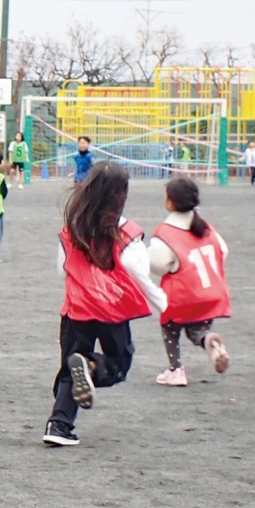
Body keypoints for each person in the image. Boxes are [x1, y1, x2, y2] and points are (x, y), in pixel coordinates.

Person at [42, 162, 167, 447]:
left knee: (68, 370)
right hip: (112, 309)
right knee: (119, 364)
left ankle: (59, 425)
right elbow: (139, 271)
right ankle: (90, 366)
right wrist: (161, 300)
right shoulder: (128, 233)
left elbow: (62, 270)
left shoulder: (71, 230)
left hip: (76, 310)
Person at [148, 178, 231, 387]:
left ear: (170, 203)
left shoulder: (166, 233)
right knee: (197, 330)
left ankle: (176, 370)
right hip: (210, 294)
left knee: (170, 328)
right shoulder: (206, 228)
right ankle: (208, 340)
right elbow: (223, 251)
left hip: (182, 296)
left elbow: (157, 265)